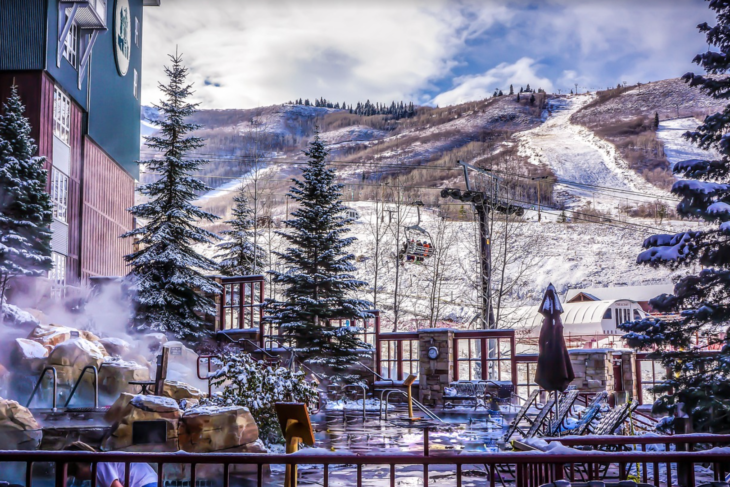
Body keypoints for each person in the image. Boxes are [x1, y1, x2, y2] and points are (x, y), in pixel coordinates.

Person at [66, 442, 158, 487]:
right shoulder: (101, 461)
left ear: (79, 465)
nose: (76, 478)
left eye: (73, 475)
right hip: (151, 481)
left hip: (144, 484)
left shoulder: (98, 466)